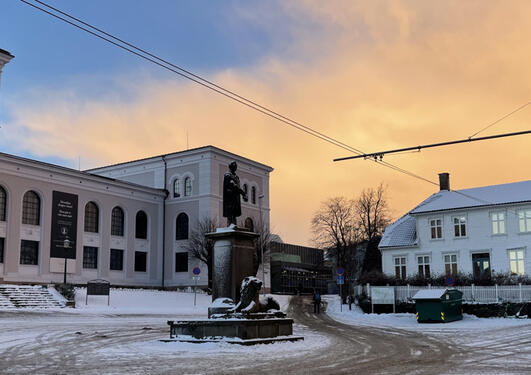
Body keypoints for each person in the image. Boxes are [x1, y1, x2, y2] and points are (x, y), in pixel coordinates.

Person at [222, 161, 247, 226]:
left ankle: (233, 225)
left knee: (234, 214)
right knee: (230, 214)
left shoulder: (236, 176)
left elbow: (236, 186)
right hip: (229, 199)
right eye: (234, 166)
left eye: (236, 166)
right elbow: (233, 185)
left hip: (235, 198)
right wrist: (243, 193)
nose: (235, 167)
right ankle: (230, 226)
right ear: (230, 167)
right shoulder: (228, 175)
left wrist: (242, 193)